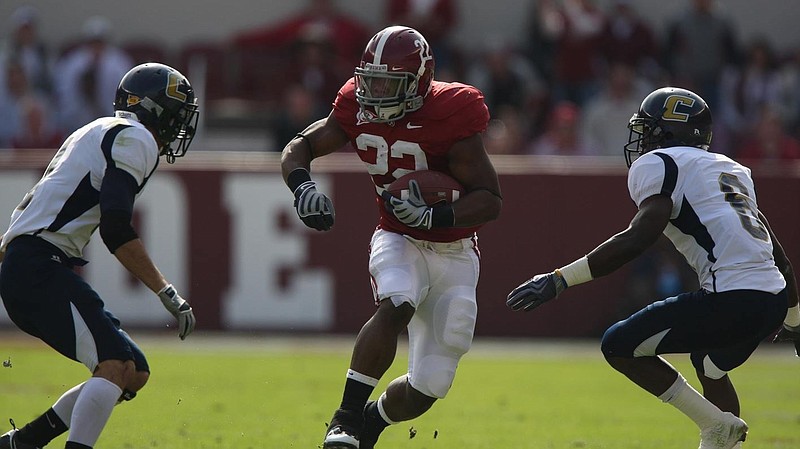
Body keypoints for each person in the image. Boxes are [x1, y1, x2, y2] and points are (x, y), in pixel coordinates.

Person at [507, 86, 799, 449]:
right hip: (771, 300)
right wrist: (795, 322)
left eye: (647, 130)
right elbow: (780, 256)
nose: (641, 140)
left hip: (733, 298)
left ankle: (717, 424)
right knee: (709, 364)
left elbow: (638, 237)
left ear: (667, 132)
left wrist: (560, 279)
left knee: (619, 345)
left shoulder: (661, 164)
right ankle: (725, 438)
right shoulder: (732, 169)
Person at [280, 25, 502, 449]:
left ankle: (369, 423)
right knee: (397, 302)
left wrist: (437, 214)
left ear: (419, 80)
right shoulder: (354, 104)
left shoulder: (452, 110)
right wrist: (303, 187)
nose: (376, 93)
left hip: (455, 250)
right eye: (371, 81)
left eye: (389, 83)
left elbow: (491, 200)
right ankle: (343, 419)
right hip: (397, 235)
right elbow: (300, 146)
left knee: (429, 386)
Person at [0, 62, 199, 449]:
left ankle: (20, 443)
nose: (179, 127)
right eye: (177, 115)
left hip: (30, 264)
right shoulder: (135, 138)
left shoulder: (96, 128)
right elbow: (116, 228)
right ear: (156, 110)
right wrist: (165, 291)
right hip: (38, 266)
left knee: (134, 370)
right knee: (114, 365)